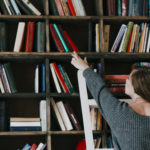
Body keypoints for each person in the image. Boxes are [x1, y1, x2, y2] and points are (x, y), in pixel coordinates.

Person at [71, 52, 150, 150]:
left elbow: (100, 92)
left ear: (137, 84)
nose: (126, 80)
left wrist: (85, 69)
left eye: (129, 78)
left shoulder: (120, 112)